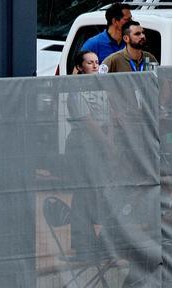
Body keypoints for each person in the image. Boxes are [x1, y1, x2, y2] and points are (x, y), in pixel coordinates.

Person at [65, 50, 110, 256]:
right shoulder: (76, 89)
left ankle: (94, 240)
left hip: (100, 140)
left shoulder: (101, 87)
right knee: (83, 191)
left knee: (95, 190)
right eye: (89, 62)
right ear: (80, 67)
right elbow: (88, 121)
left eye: (96, 62)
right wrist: (108, 143)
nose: (94, 65)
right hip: (83, 142)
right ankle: (82, 243)